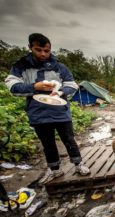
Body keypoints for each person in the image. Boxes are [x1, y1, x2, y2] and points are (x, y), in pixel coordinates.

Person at [4, 33, 90, 184]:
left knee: (69, 139)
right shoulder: (21, 66)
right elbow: (12, 86)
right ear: (30, 47)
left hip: (60, 110)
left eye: (46, 50)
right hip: (38, 112)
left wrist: (61, 92)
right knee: (47, 143)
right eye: (38, 50)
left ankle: (78, 164)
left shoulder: (58, 66)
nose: (43, 54)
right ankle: (55, 169)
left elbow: (72, 84)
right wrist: (34, 87)